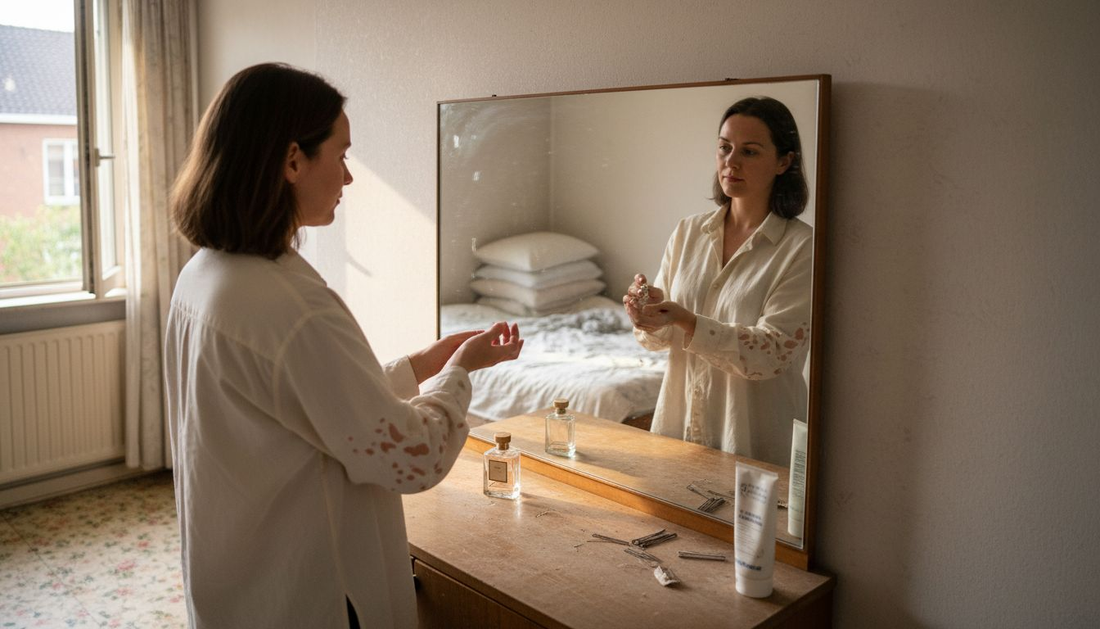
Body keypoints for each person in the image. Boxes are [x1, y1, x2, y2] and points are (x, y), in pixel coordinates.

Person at [164, 63, 523, 629]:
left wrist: (423, 364)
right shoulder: (292, 307)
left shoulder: (206, 275)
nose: (350, 178)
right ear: (292, 160)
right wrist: (459, 371)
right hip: (314, 592)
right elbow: (413, 457)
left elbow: (308, 403)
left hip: (236, 577)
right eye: (343, 155)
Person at [623, 96, 812, 466]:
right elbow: (661, 339)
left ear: (784, 162)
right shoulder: (687, 232)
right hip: (679, 430)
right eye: (724, 147)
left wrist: (685, 319)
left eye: (750, 151)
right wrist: (649, 313)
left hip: (756, 438)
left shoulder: (801, 247)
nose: (731, 162)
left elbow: (772, 353)